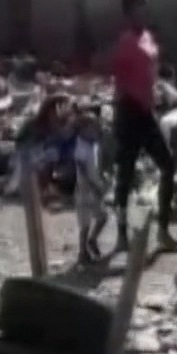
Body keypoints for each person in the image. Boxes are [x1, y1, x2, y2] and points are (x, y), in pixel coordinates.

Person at [110, 0, 177, 253]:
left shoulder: (148, 38)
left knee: (169, 165)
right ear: (129, 11)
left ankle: (163, 231)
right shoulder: (125, 42)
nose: (144, 10)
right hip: (130, 112)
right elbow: (120, 81)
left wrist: (159, 95)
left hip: (147, 112)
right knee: (125, 176)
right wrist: (135, 99)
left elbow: (150, 74)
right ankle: (121, 234)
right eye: (139, 6)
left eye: (145, 5)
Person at [73, 107, 108, 266]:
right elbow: (82, 168)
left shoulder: (92, 144)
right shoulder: (81, 146)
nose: (96, 130)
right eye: (93, 127)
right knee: (85, 224)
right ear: (83, 130)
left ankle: (92, 240)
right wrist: (94, 186)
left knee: (102, 217)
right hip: (85, 190)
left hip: (94, 187)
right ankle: (82, 252)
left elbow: (95, 165)